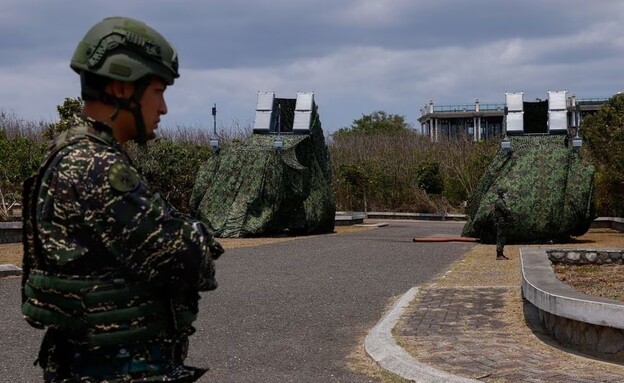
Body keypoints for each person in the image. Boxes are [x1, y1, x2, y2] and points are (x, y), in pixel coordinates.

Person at [21, 16, 223, 382]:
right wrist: (198, 235)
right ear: (120, 88)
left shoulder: (74, 152)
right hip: (115, 369)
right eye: (158, 91)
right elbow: (186, 259)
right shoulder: (96, 165)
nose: (163, 109)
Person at [494, 186, 511, 260]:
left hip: (502, 221)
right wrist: (509, 209)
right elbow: (506, 211)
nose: (506, 194)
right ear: (502, 193)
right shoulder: (500, 202)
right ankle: (499, 254)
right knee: (500, 238)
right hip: (501, 221)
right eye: (505, 192)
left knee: (502, 238)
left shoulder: (501, 201)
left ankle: (501, 254)